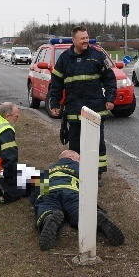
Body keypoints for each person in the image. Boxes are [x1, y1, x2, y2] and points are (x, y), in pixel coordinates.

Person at [48, 25, 116, 178]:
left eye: (87, 38)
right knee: (75, 145)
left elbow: (110, 79)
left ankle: (97, 174)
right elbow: (56, 84)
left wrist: (110, 99)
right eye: (82, 39)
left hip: (95, 110)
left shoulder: (98, 56)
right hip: (74, 111)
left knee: (97, 144)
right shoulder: (64, 58)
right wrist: (54, 103)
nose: (86, 41)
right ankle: (76, 172)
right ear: (74, 40)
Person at [31, 150, 124, 251]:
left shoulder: (48, 170)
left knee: (46, 206)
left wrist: (37, 199)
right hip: (71, 191)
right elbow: (89, 183)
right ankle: (93, 216)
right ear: (72, 157)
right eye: (79, 158)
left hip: (50, 191)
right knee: (79, 209)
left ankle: (48, 217)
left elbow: (37, 189)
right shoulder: (79, 167)